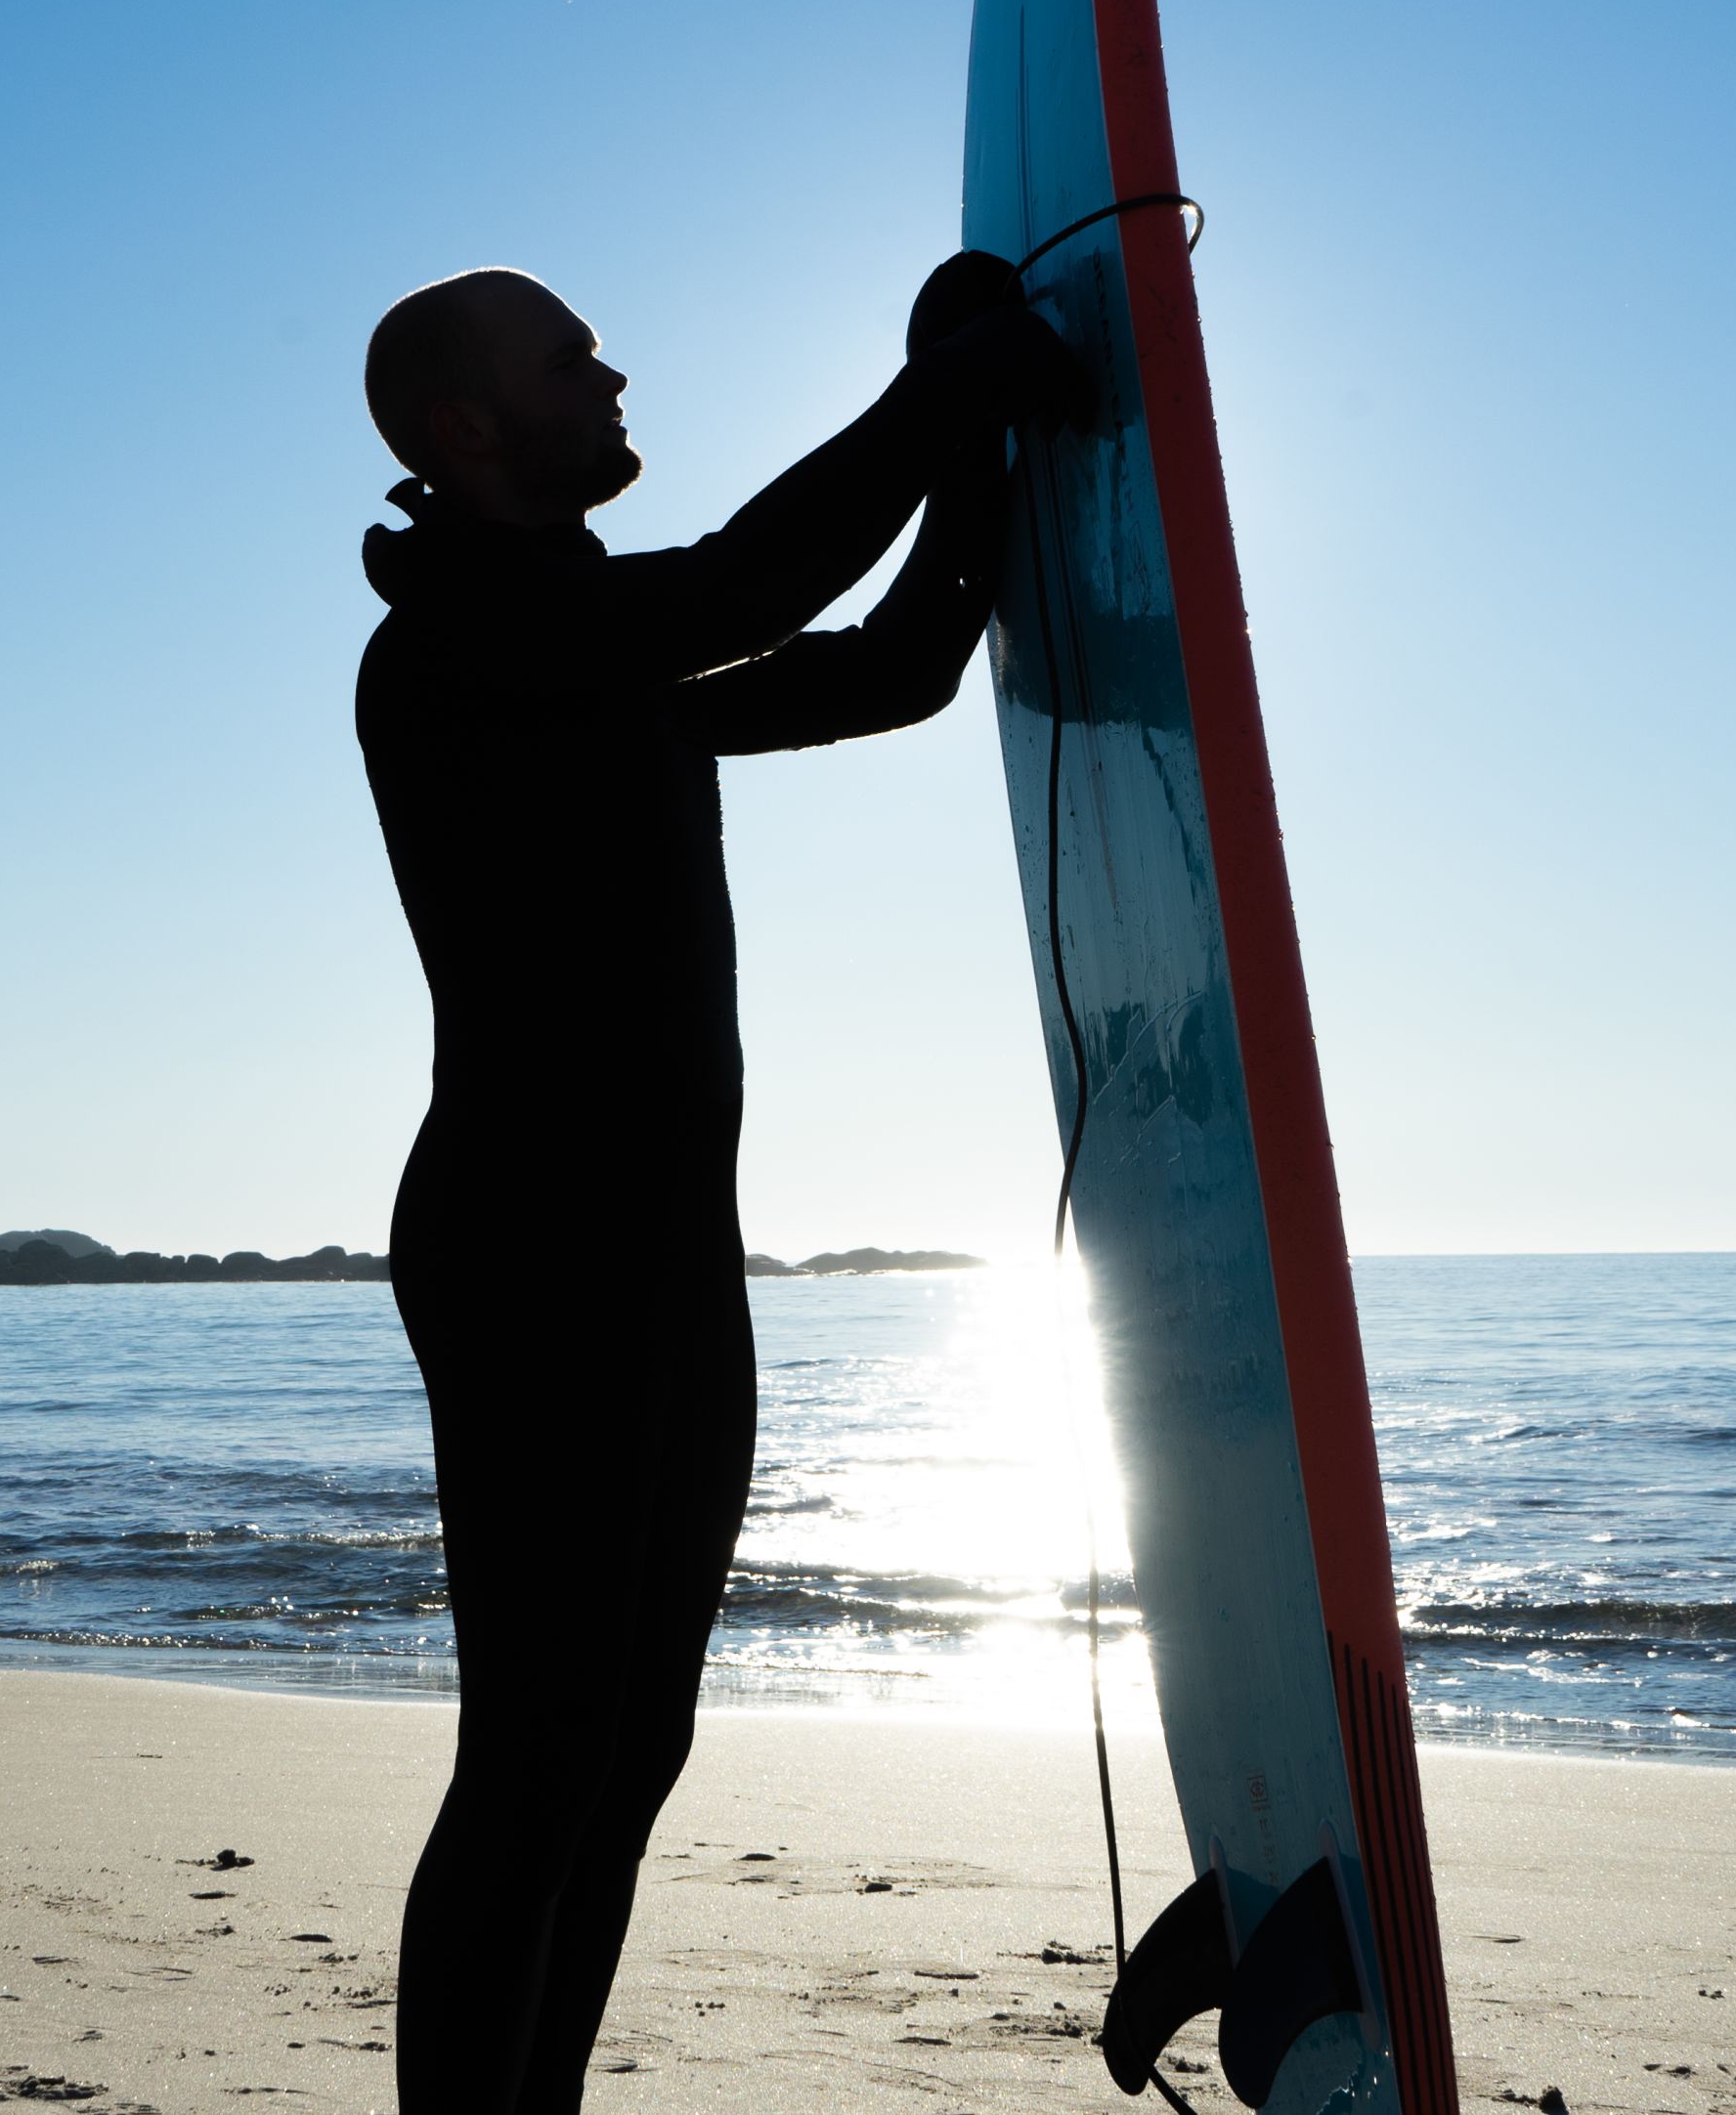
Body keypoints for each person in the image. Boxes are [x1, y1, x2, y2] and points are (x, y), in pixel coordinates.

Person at [355, 254, 1075, 2115]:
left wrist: (980, 428)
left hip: (671, 1253)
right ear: (467, 424)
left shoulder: (601, 647)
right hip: (529, 1248)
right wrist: (938, 387)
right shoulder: (454, 644)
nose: (611, 376)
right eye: (566, 360)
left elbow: (893, 665)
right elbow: (757, 579)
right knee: (540, 1747)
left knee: (635, 1743)